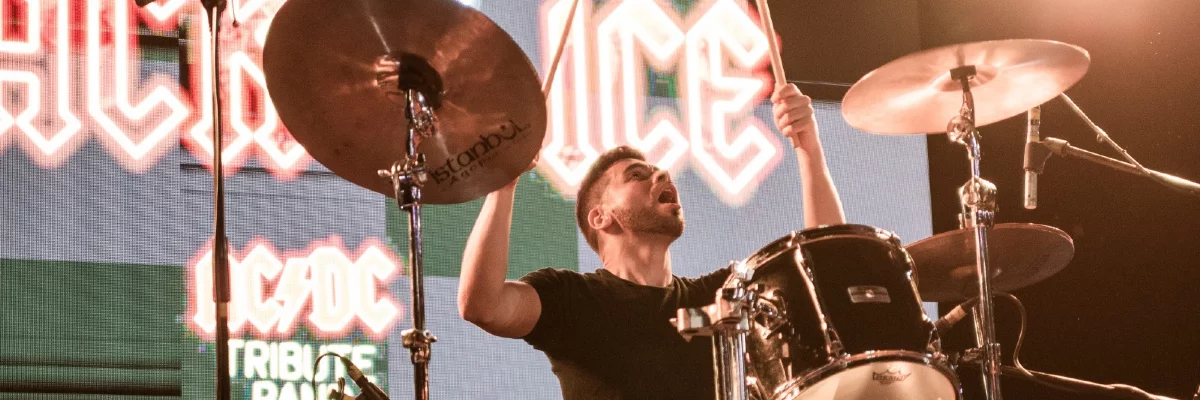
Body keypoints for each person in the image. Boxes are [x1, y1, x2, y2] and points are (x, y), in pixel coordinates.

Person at [457, 83, 847, 399]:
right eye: (636, 175)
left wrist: (808, 148)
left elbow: (825, 264)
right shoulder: (570, 299)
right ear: (601, 217)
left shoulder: (719, 298)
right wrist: (504, 184)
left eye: (657, 170)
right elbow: (482, 305)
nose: (661, 174)